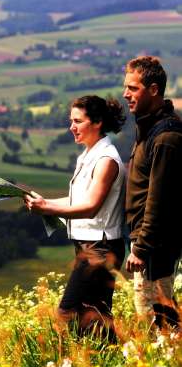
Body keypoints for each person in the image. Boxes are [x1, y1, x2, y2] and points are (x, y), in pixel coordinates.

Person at [24, 95, 126, 338]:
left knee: (67, 313)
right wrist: (44, 202)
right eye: (71, 121)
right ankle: (117, 366)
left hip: (100, 248)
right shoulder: (88, 155)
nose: (72, 127)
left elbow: (90, 207)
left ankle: (82, 365)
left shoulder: (106, 160)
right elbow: (77, 201)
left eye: (78, 121)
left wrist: (47, 209)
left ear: (97, 122)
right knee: (94, 321)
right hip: (88, 246)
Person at [123, 56, 182, 328]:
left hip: (155, 246)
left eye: (133, 88)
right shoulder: (148, 128)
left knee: (158, 320)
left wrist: (142, 248)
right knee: (155, 317)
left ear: (154, 90)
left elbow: (159, 199)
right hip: (148, 243)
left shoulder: (166, 137)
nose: (126, 94)